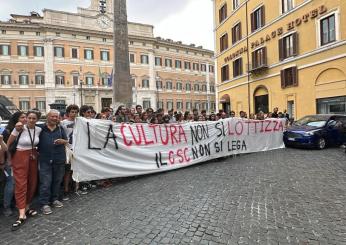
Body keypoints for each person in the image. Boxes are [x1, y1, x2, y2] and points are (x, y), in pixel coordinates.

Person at [7, 110, 42, 231]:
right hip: (20, 156)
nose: (31, 120)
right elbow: (9, 144)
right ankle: (21, 213)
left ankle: (27, 207)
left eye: (34, 118)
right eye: (29, 118)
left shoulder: (38, 130)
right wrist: (9, 160)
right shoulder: (19, 128)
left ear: (37, 119)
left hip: (33, 156)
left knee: (32, 183)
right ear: (26, 118)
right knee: (21, 184)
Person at [38, 110, 68, 215]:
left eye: (56, 117)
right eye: (52, 116)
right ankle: (44, 203)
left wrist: (62, 141)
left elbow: (67, 141)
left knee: (57, 180)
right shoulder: (41, 128)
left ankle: (54, 199)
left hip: (59, 158)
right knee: (45, 182)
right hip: (45, 159)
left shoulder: (60, 128)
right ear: (47, 117)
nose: (55, 118)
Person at [1, 111, 27, 217]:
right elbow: (5, 148)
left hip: (21, 160)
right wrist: (6, 161)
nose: (25, 119)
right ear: (16, 119)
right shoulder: (8, 131)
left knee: (18, 183)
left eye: (25, 117)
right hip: (10, 161)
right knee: (11, 184)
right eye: (22, 117)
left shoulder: (24, 129)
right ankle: (6, 207)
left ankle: (16, 203)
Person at [60, 104, 79, 200]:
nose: (74, 114)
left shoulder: (80, 122)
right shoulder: (63, 123)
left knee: (76, 169)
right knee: (67, 171)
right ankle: (66, 190)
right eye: (72, 112)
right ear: (68, 113)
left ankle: (76, 188)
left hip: (77, 148)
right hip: (67, 148)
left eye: (75, 112)